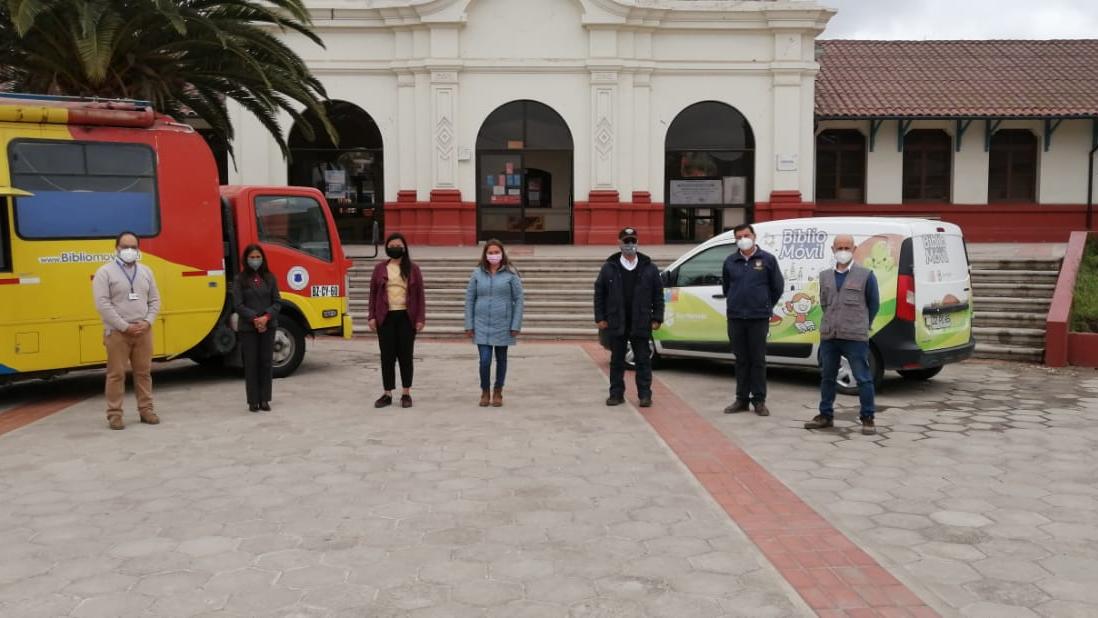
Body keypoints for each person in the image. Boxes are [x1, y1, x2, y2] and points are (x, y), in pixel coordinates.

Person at [805, 234, 881, 435]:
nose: (843, 251)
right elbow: (825, 303)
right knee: (827, 377)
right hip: (830, 335)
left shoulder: (866, 275)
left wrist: (863, 323)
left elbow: (873, 305)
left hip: (855, 336)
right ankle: (825, 416)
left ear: (854, 250)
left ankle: (868, 418)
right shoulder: (825, 276)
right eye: (840, 247)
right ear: (833, 249)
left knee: (863, 378)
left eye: (847, 247)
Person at [92, 231, 161, 430]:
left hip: (143, 331)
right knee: (116, 374)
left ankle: (146, 410)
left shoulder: (146, 271)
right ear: (117, 248)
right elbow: (102, 304)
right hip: (117, 333)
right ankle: (114, 414)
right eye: (125, 247)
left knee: (144, 373)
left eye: (133, 247)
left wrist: (147, 322)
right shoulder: (105, 272)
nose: (129, 251)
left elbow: (155, 300)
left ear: (138, 249)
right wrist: (125, 326)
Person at [594, 227, 665, 408]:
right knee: (617, 361)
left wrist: (657, 316)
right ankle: (616, 394)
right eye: (626, 242)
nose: (630, 245)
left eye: (633, 241)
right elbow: (599, 293)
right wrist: (600, 317)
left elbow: (658, 294)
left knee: (642, 360)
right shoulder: (609, 268)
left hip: (641, 321)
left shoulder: (649, 267)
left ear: (637, 242)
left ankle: (645, 395)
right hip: (617, 321)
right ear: (619, 243)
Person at [722, 224, 784, 417]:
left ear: (754, 236)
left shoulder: (768, 260)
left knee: (757, 361)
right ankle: (741, 399)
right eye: (739, 237)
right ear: (735, 240)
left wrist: (764, 305)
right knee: (741, 360)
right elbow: (726, 288)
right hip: (736, 318)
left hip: (758, 318)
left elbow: (777, 287)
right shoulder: (730, 261)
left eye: (746, 235)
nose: (743, 239)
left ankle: (759, 400)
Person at [464, 240, 525, 407]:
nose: (493, 255)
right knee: (484, 360)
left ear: (502, 253)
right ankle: (485, 391)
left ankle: (498, 390)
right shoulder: (477, 274)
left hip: (503, 324)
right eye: (490, 252)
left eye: (496, 252)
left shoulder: (511, 274)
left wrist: (515, 324)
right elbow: (469, 299)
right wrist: (469, 324)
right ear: (485, 254)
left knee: (501, 359)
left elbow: (519, 299)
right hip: (481, 323)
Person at [368, 233, 425, 408]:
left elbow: (420, 295)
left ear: (404, 247)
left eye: (398, 245)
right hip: (385, 317)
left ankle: (406, 393)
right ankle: (387, 393)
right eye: (391, 245)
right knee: (387, 357)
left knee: (406, 356)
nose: (395, 248)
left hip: (406, 317)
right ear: (386, 248)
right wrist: (371, 316)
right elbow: (372, 294)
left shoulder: (413, 269)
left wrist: (420, 318)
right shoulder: (379, 268)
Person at [233, 244, 281, 413]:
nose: (255, 260)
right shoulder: (240, 279)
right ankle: (253, 401)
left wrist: (266, 317)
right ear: (246, 259)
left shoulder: (270, 278)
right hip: (248, 327)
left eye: (257, 257)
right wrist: (254, 319)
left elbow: (277, 302)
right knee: (251, 364)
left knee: (266, 363)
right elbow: (238, 304)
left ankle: (265, 399)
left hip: (268, 326)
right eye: (251, 257)